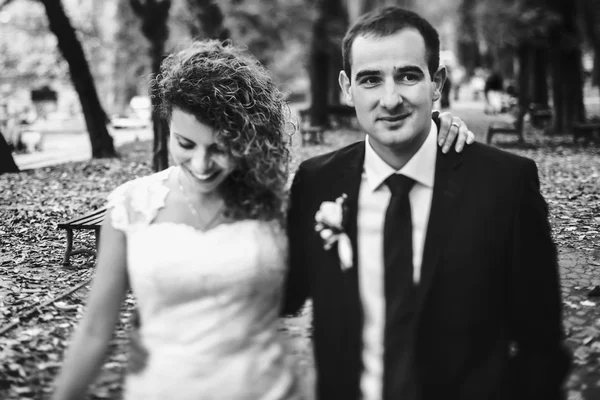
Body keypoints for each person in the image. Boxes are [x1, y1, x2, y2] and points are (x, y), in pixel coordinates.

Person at [51, 39, 472, 400]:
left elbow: (375, 187)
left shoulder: (283, 200)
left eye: (221, 147)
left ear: (250, 138)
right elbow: (93, 331)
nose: (201, 164)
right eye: (184, 143)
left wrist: (433, 127)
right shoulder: (131, 204)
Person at [282, 6, 570, 400]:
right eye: (370, 80)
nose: (390, 98)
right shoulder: (316, 182)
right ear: (347, 88)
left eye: (407, 75)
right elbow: (285, 293)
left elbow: (541, 344)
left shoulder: (506, 185)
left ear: (437, 84)